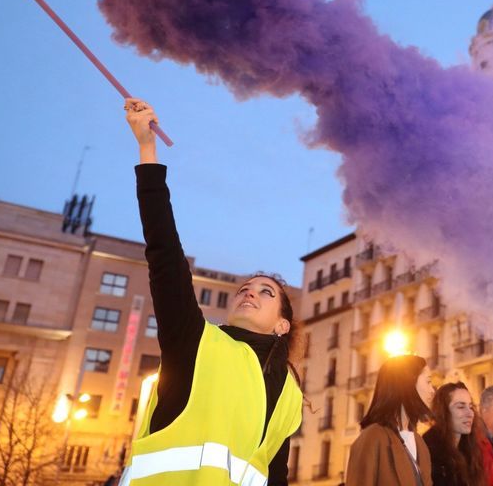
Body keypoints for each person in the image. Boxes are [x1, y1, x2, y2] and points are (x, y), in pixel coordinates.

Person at [119, 99, 303, 486]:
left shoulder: (289, 394)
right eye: (245, 288)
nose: (250, 293)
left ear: (283, 324)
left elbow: (276, 477)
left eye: (266, 292)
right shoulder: (197, 342)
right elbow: (165, 256)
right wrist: (146, 151)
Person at [347, 354, 436, 486]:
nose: (432, 391)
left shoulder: (420, 444)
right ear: (408, 383)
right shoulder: (372, 438)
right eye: (428, 382)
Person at [422, 382, 486, 486]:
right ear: (443, 411)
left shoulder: (470, 447)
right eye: (461, 407)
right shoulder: (429, 449)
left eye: (470, 407)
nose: (470, 413)